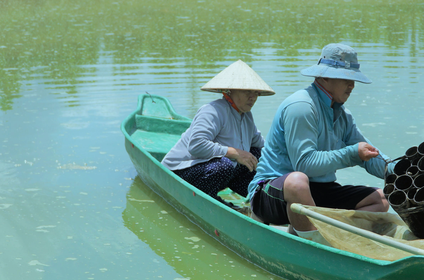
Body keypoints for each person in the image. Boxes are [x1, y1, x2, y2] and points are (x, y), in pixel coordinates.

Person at [247, 43, 394, 241]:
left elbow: (370, 154)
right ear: (324, 76)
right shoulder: (302, 106)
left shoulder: (342, 114)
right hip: (273, 192)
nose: (352, 86)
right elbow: (305, 164)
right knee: (298, 182)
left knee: (381, 199)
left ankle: (327, 235)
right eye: (347, 79)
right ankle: (316, 242)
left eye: (354, 80)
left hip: (316, 190)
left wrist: (401, 172)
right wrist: (352, 154)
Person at [162, 60, 274, 207]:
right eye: (247, 91)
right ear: (230, 91)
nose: (252, 97)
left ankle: (260, 201)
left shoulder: (246, 116)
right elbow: (196, 145)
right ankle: (213, 201)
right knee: (224, 166)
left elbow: (261, 145)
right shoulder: (213, 110)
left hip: (218, 172)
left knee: (257, 155)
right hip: (181, 172)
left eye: (255, 92)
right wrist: (234, 152)